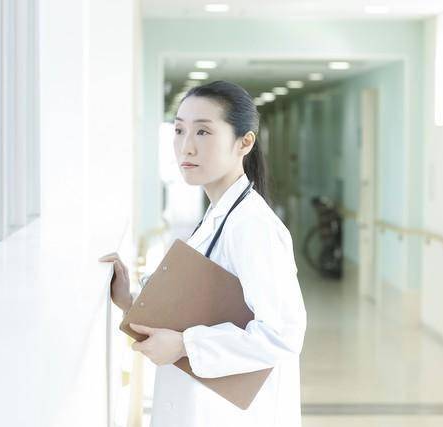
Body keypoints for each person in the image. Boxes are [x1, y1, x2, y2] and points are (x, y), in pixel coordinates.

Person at [99, 80, 307, 427]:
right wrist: (129, 301)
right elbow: (204, 307)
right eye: (179, 130)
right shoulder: (217, 214)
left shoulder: (252, 226)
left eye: (203, 132)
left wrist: (186, 346)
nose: (187, 147)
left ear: (245, 142)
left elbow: (283, 335)